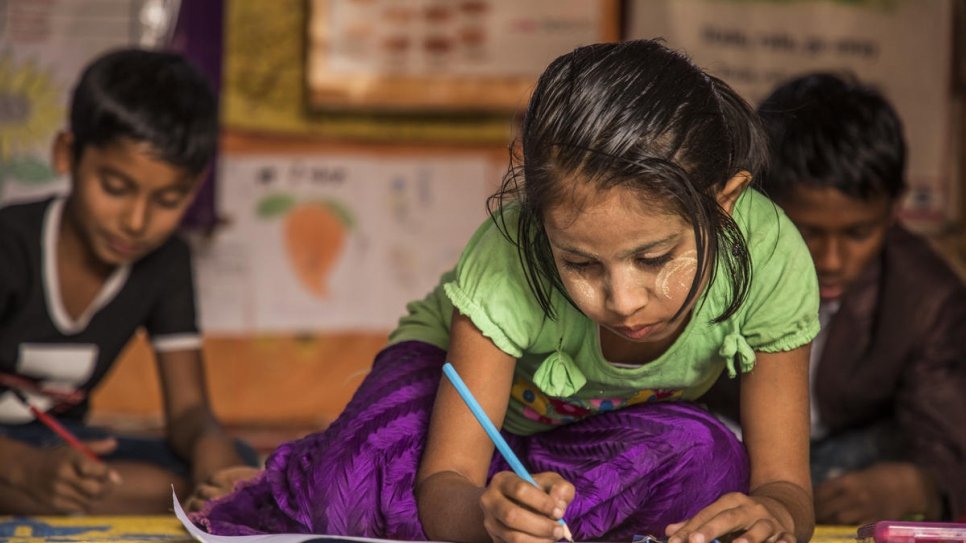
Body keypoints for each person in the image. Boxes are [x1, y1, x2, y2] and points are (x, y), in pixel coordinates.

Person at [193, 39, 819, 543]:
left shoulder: (769, 261)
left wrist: (777, 519)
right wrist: (482, 520)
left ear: (725, 203)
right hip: (450, 414)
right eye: (579, 263)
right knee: (348, 487)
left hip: (580, 447)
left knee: (714, 465)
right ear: (538, 223)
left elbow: (785, 489)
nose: (622, 300)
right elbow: (449, 475)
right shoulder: (504, 257)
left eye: (654, 258)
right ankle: (285, 483)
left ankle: (521, 509)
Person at [0, 48, 256, 514]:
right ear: (67, 154)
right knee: (159, 490)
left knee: (233, 462)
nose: (136, 222)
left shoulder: (167, 260)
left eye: (168, 199)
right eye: (115, 188)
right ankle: (32, 490)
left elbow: (187, 411)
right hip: (13, 452)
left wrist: (211, 456)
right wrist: (22, 467)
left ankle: (42, 494)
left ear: (195, 189)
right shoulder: (10, 245)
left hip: (68, 447)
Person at [703, 72, 966, 523]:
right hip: (735, 445)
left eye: (858, 233)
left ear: (893, 209)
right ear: (756, 202)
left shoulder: (927, 299)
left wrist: (921, 485)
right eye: (807, 231)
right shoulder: (710, 263)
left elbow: (948, 435)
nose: (830, 259)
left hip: (841, 464)